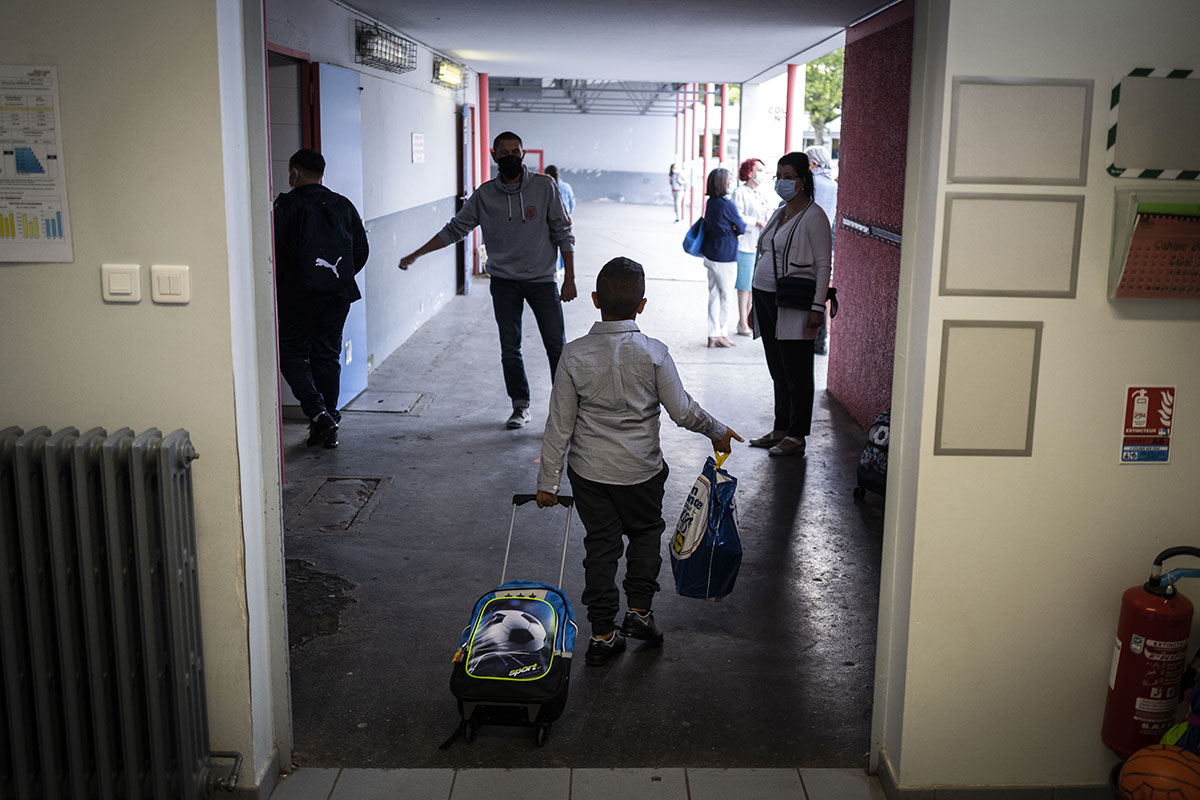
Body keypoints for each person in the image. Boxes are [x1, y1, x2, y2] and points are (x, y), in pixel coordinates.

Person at [535, 257, 741, 666]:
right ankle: (639, 613)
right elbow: (683, 412)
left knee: (601, 547)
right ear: (642, 305)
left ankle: (602, 634)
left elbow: (559, 425)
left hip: (590, 473)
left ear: (595, 300)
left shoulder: (573, 355)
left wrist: (548, 482)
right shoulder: (655, 354)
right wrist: (717, 430)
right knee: (646, 534)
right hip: (642, 471)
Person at [399, 132, 576, 429]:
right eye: (503, 152)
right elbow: (455, 229)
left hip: (543, 281)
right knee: (511, 347)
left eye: (515, 151)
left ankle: (566, 412)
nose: (509, 157)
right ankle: (520, 406)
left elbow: (563, 231)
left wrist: (569, 277)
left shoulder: (545, 187)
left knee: (556, 346)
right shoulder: (485, 195)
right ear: (494, 156)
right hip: (504, 282)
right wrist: (417, 254)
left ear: (523, 153)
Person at [273, 148, 369, 449]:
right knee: (327, 356)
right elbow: (361, 250)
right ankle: (328, 422)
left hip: (297, 296)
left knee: (291, 356)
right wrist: (338, 278)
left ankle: (318, 414)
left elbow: (272, 251)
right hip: (337, 296)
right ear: (322, 173)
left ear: (294, 172)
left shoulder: (286, 206)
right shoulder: (343, 205)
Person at [748, 152, 832, 458]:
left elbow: (824, 265)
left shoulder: (814, 216)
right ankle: (780, 428)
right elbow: (764, 252)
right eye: (778, 177)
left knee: (797, 370)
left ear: (803, 180)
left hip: (795, 302)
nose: (781, 183)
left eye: (788, 177)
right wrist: (754, 305)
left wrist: (817, 307)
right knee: (778, 369)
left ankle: (797, 435)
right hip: (766, 296)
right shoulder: (779, 211)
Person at [700, 167, 745, 348]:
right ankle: (722, 333)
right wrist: (733, 228)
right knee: (726, 296)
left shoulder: (711, 203)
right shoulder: (727, 205)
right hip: (725, 255)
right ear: (722, 182)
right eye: (729, 179)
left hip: (711, 253)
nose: (731, 182)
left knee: (714, 295)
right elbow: (740, 227)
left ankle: (713, 334)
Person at [731, 158, 771, 337]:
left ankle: (750, 320)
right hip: (745, 245)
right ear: (749, 172)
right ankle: (742, 322)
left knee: (754, 287)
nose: (762, 173)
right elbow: (736, 217)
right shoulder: (740, 192)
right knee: (744, 286)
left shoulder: (760, 194)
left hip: (759, 246)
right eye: (759, 170)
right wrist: (755, 222)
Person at [805, 145, 838, 355]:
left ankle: (805, 338)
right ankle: (820, 342)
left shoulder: (810, 185)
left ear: (814, 164)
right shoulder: (834, 186)